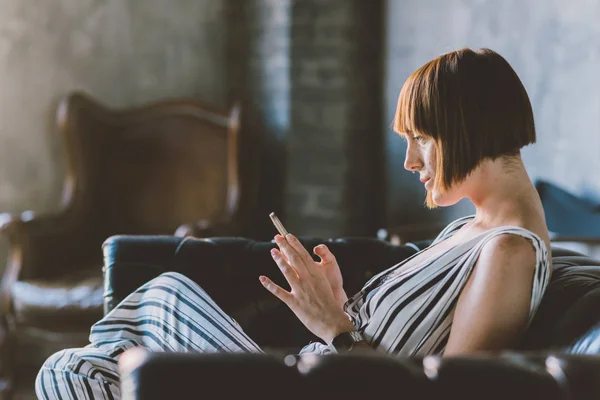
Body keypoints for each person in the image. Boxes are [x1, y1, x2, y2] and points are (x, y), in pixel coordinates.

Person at [35, 47, 551, 399]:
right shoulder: (474, 231)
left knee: (143, 312)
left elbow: (449, 393)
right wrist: (338, 300)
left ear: (467, 129)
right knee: (77, 372)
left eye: (421, 138)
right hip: (316, 371)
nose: (410, 162)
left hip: (312, 386)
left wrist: (335, 326)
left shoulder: (509, 251)